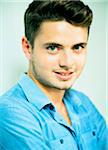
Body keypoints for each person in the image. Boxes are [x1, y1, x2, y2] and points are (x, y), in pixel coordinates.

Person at [0, 0, 107, 149]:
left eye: (77, 47)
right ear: (27, 47)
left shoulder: (84, 104)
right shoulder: (9, 113)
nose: (67, 63)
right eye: (53, 47)